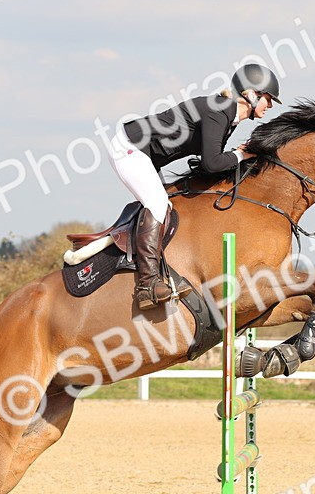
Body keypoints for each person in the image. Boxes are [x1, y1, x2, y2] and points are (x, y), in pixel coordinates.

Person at [108, 63, 281, 310]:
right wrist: (242, 155)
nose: (270, 106)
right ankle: (146, 286)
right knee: (157, 204)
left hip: (144, 155)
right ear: (251, 94)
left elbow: (210, 163)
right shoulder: (219, 110)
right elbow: (212, 163)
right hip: (129, 148)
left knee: (169, 204)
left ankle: (162, 272)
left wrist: (238, 157)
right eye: (268, 99)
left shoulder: (228, 118)